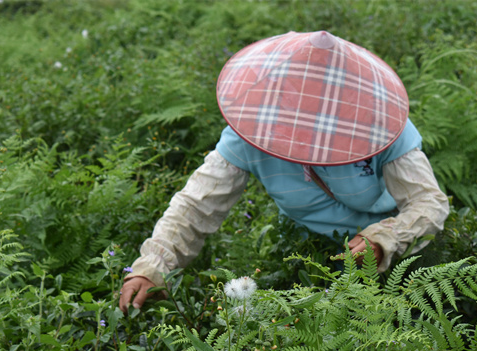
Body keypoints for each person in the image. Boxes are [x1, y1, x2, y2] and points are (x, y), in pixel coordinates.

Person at [119, 31, 450, 314]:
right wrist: (151, 267)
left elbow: (428, 203)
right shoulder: (252, 131)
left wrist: (384, 239)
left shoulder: (383, 126)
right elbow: (197, 204)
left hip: (394, 257)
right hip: (304, 251)